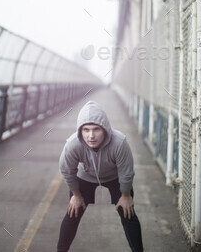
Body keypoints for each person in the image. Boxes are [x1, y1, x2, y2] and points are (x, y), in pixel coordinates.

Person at [57, 100, 144, 252]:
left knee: (127, 212)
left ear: (105, 129)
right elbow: (66, 170)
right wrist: (76, 195)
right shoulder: (73, 144)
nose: (91, 136)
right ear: (80, 131)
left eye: (96, 129)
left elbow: (126, 171)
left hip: (114, 176)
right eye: (86, 130)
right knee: (73, 212)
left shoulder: (119, 142)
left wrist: (125, 195)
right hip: (85, 175)